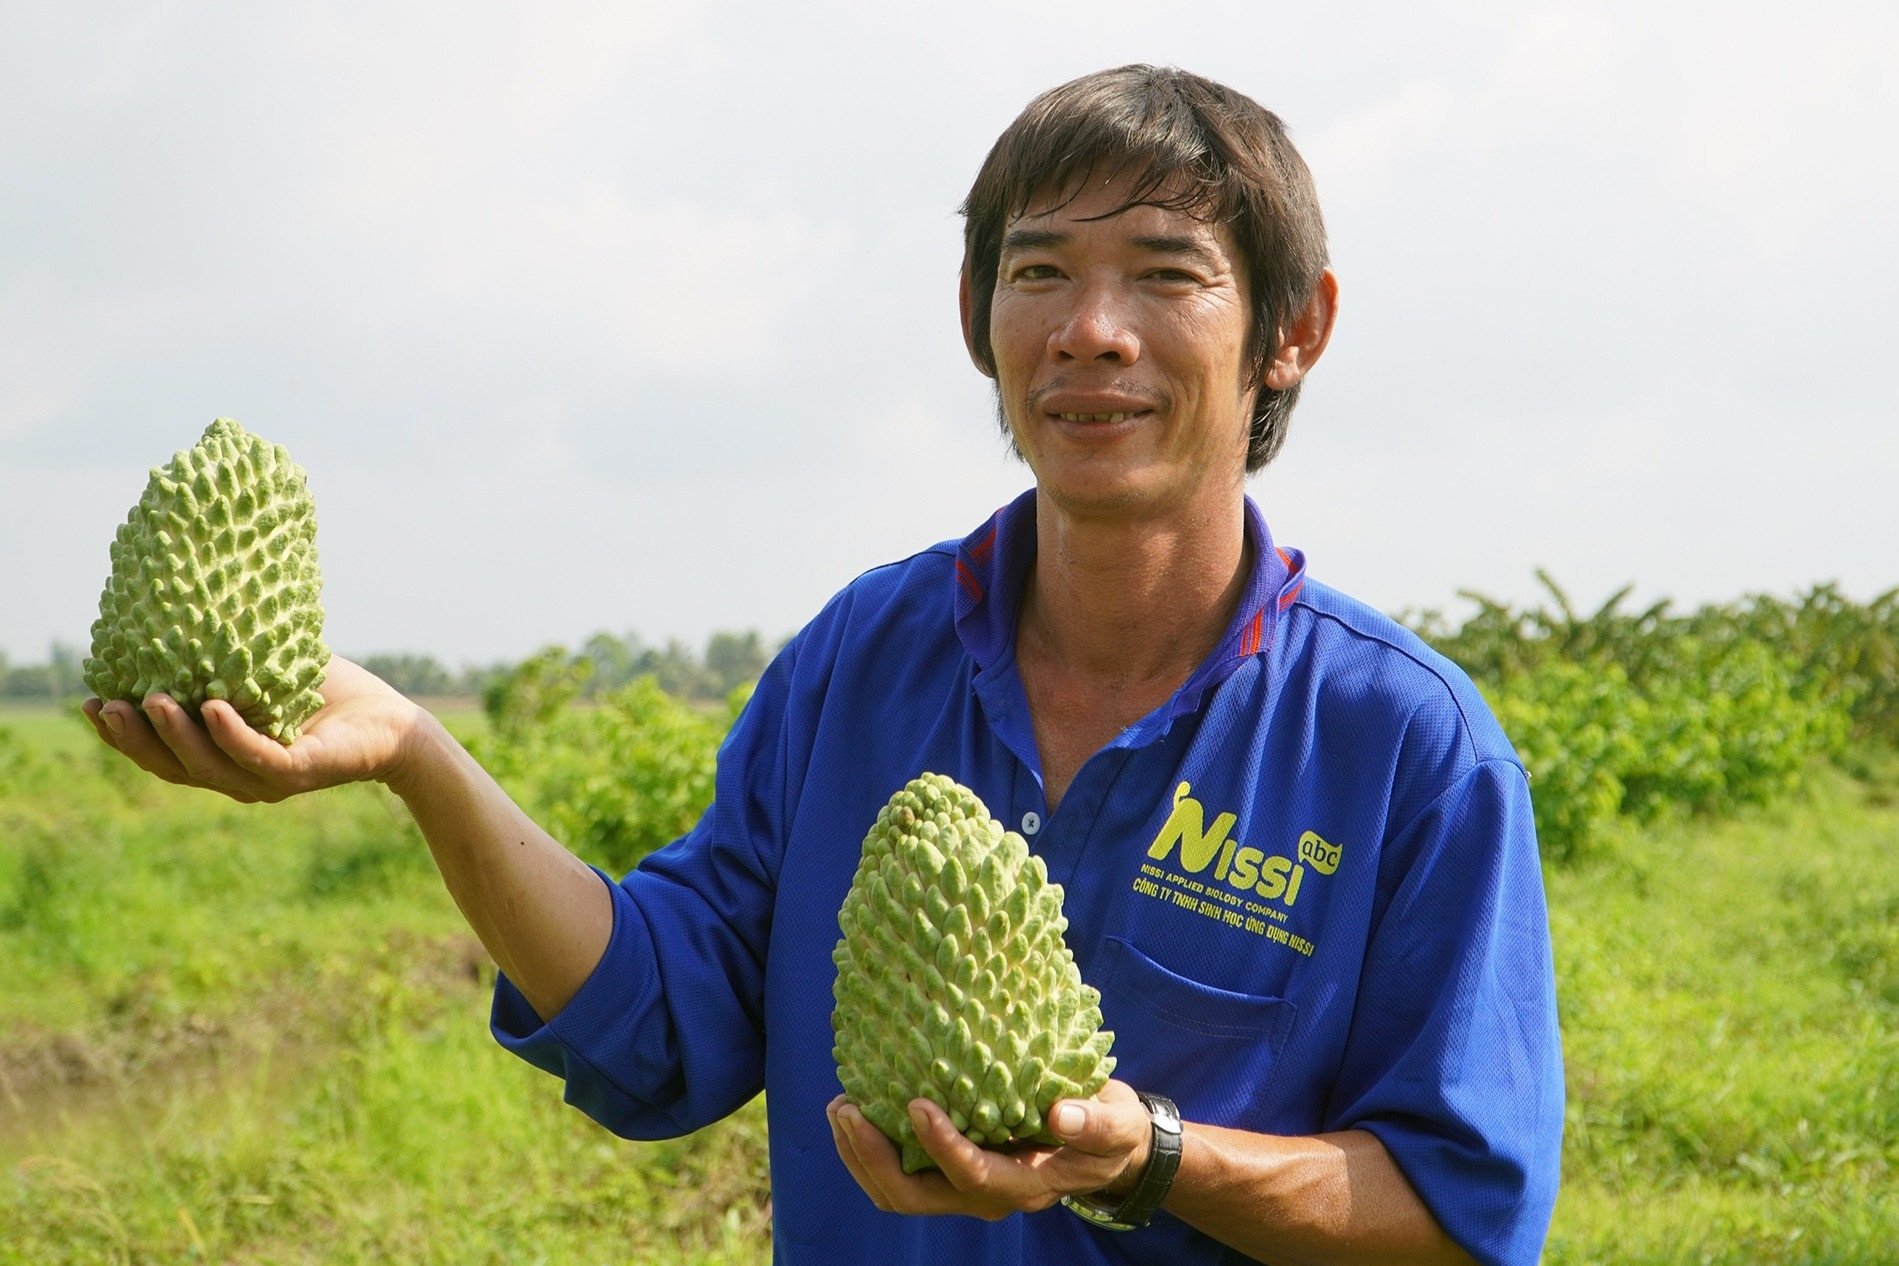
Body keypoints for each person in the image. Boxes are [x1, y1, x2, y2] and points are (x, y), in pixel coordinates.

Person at [86, 65, 1563, 1266]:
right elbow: (666, 1017)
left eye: (1164, 275)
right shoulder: (865, 659)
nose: (1090, 331)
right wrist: (421, 753)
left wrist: (1152, 1155)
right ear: (979, 321)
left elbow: (1460, 1212)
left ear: (1291, 329)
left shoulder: (1405, 747)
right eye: (1039, 270)